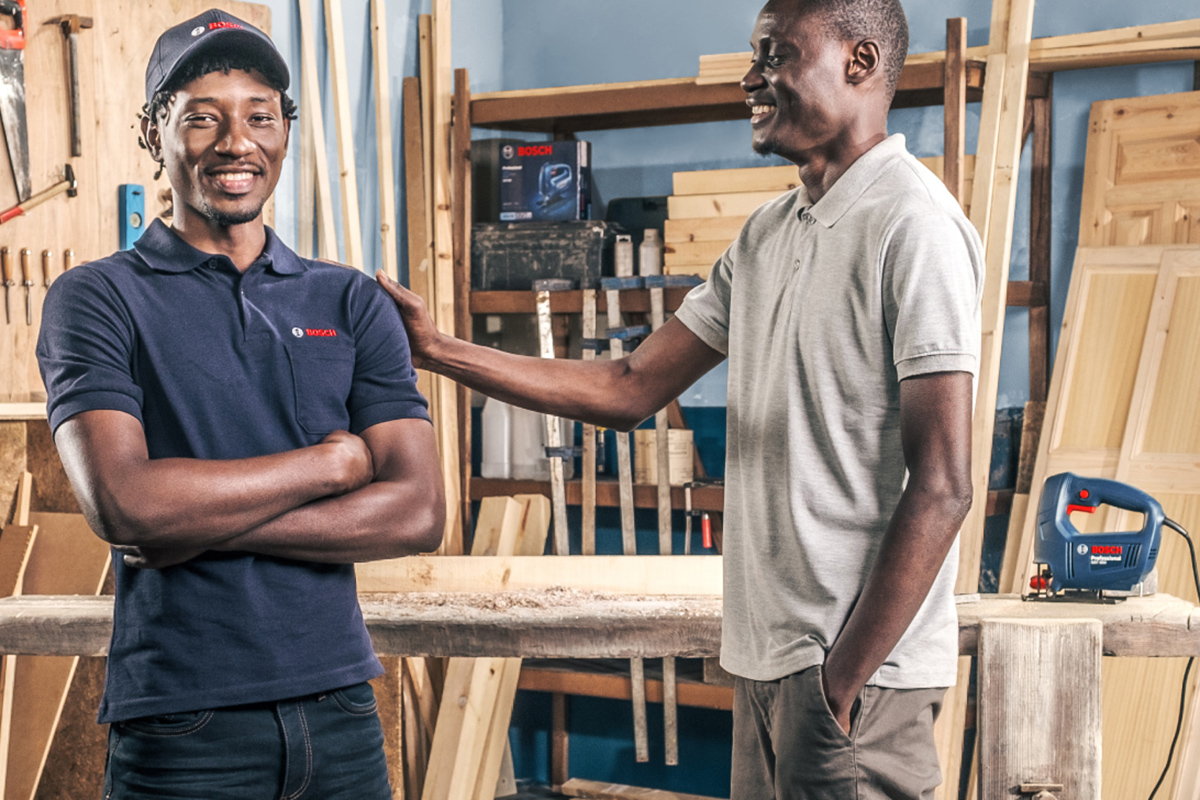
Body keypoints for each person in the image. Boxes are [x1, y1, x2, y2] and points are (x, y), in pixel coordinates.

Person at [377, 0, 982, 797]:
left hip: (855, 681)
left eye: (777, 55)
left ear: (859, 62)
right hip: (770, 665)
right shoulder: (769, 234)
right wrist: (437, 350)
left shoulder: (915, 225)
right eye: (754, 56)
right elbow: (630, 387)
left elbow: (943, 483)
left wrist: (840, 684)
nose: (752, 78)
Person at [36, 9, 443, 799]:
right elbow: (126, 506)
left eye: (260, 115)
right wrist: (332, 463)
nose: (236, 141)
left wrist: (195, 526)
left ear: (285, 132)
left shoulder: (351, 299)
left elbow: (418, 511)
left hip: (343, 710)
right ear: (153, 134)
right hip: (184, 725)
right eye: (201, 118)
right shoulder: (96, 298)